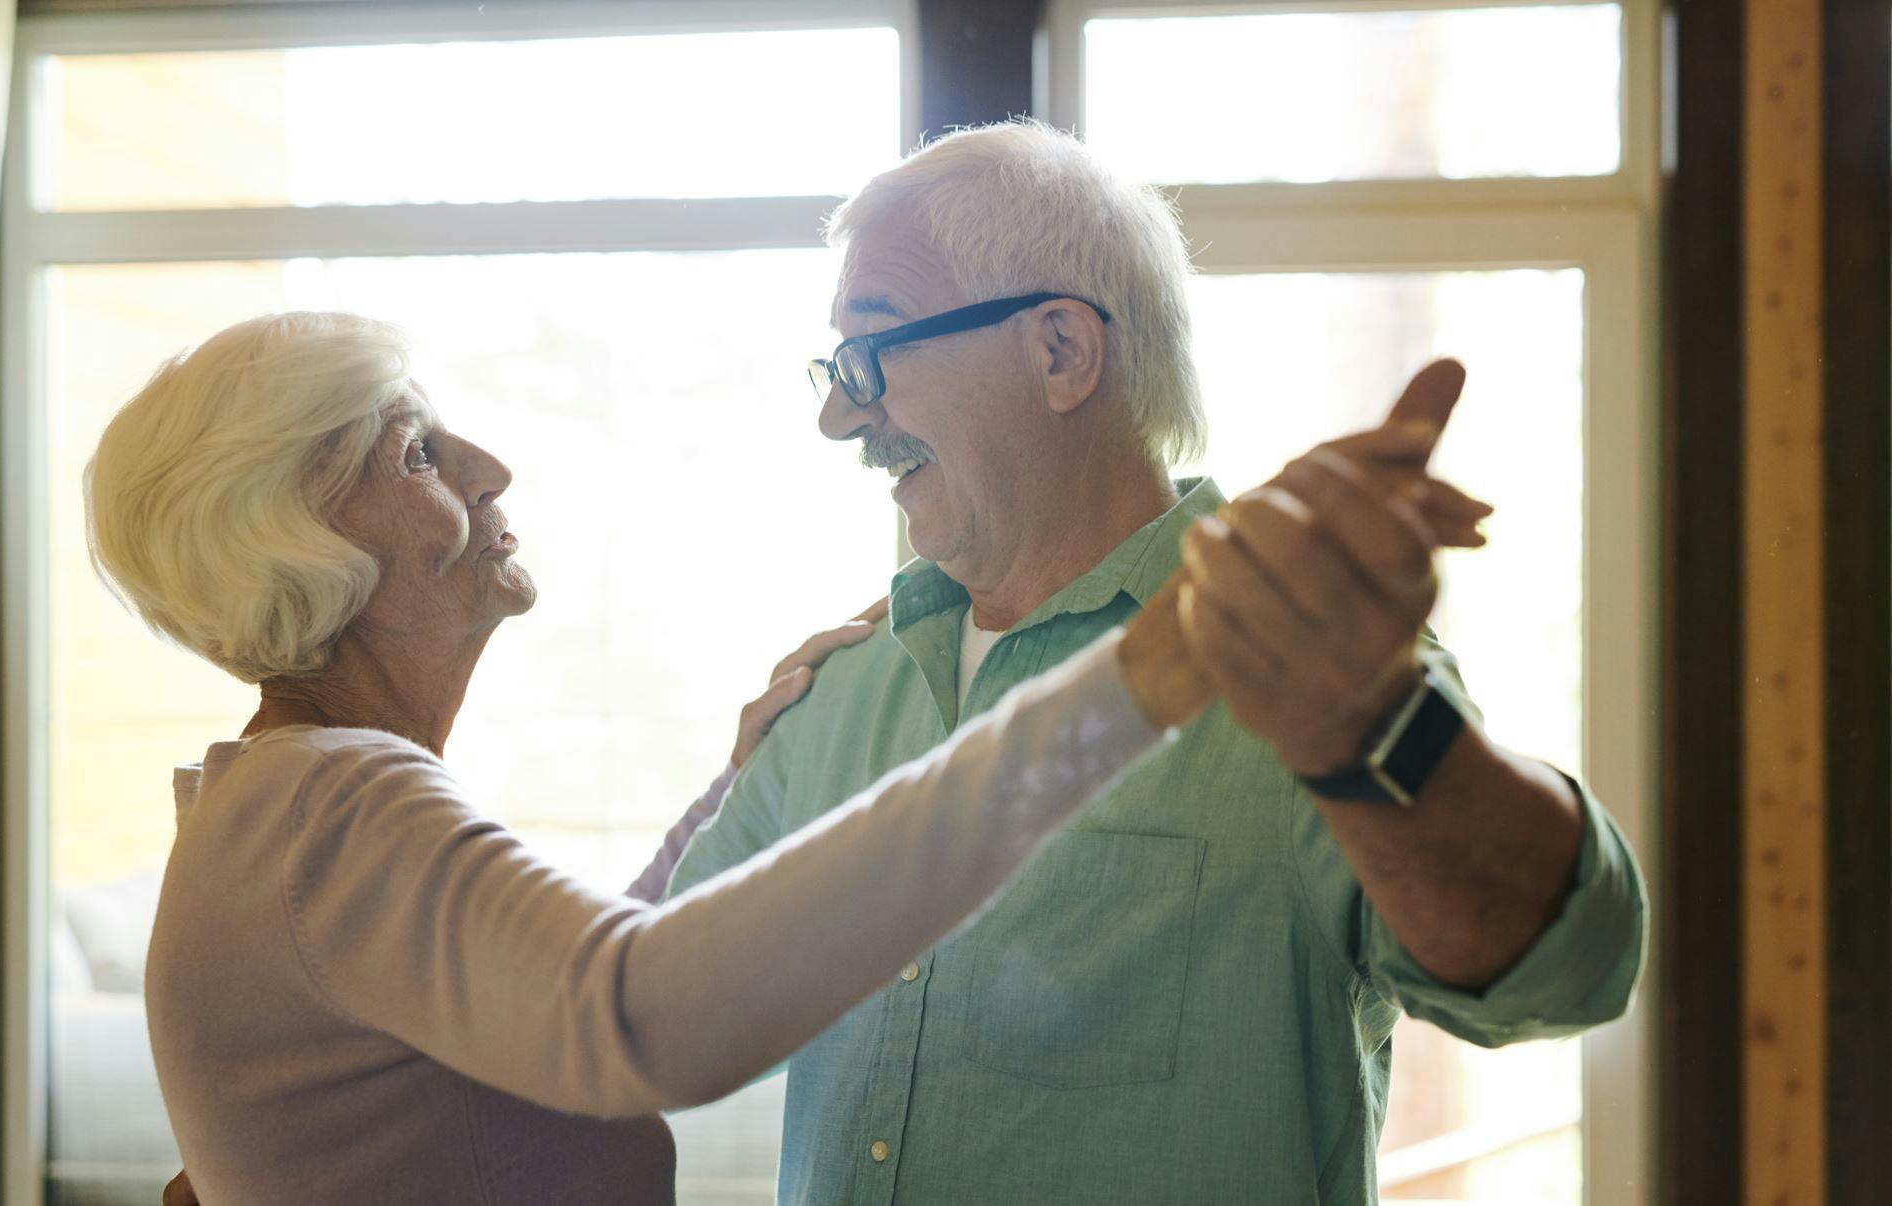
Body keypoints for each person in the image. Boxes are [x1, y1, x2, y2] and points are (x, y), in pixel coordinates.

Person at [92, 309, 1351, 1204]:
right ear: (294, 545)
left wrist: (738, 792)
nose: (489, 467)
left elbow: (551, 1017)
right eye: (416, 453)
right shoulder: (336, 800)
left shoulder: (273, 798)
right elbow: (637, 1022)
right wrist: (1125, 690)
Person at [661, 120, 1647, 1203]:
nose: (838, 416)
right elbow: (651, 1022)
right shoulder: (838, 694)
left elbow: (1566, 976)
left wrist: (1375, 724)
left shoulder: (1314, 666)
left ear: (1059, 353)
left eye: (871, 352)